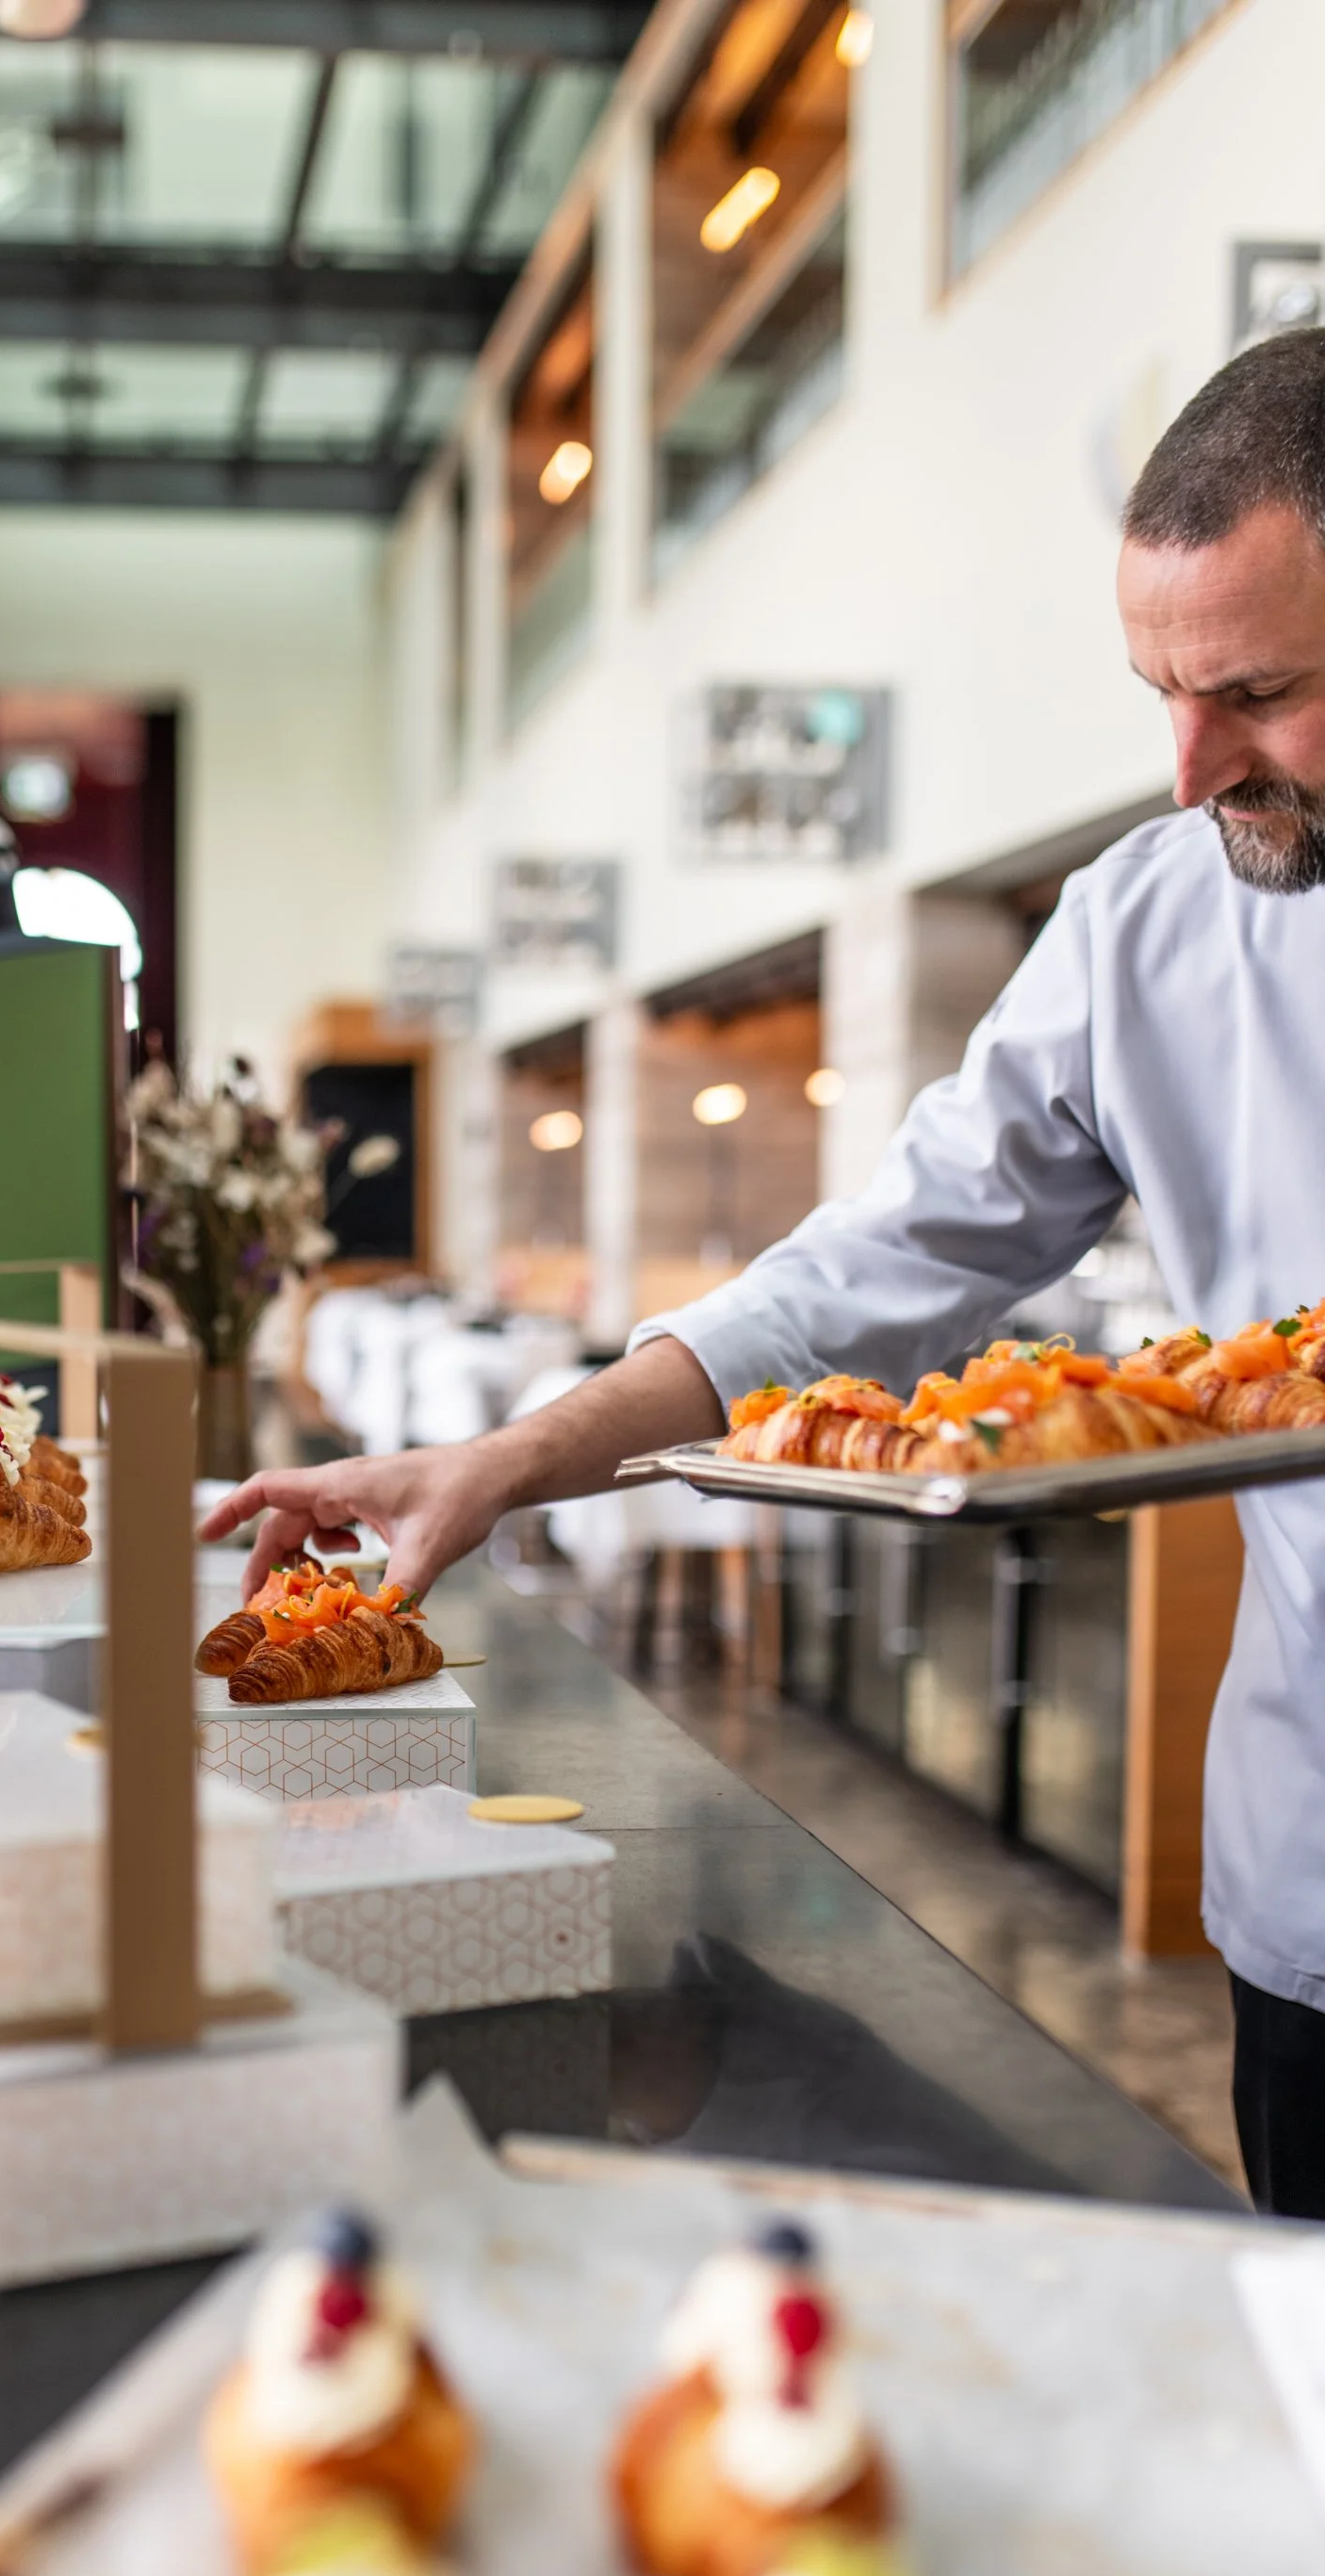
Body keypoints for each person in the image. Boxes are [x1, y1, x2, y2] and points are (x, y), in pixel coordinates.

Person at [200, 327, 1325, 2221]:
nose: (1192, 768)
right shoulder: (1147, 928)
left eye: (1261, 694)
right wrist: (511, 1459)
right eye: (1160, 693)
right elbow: (876, 1267)